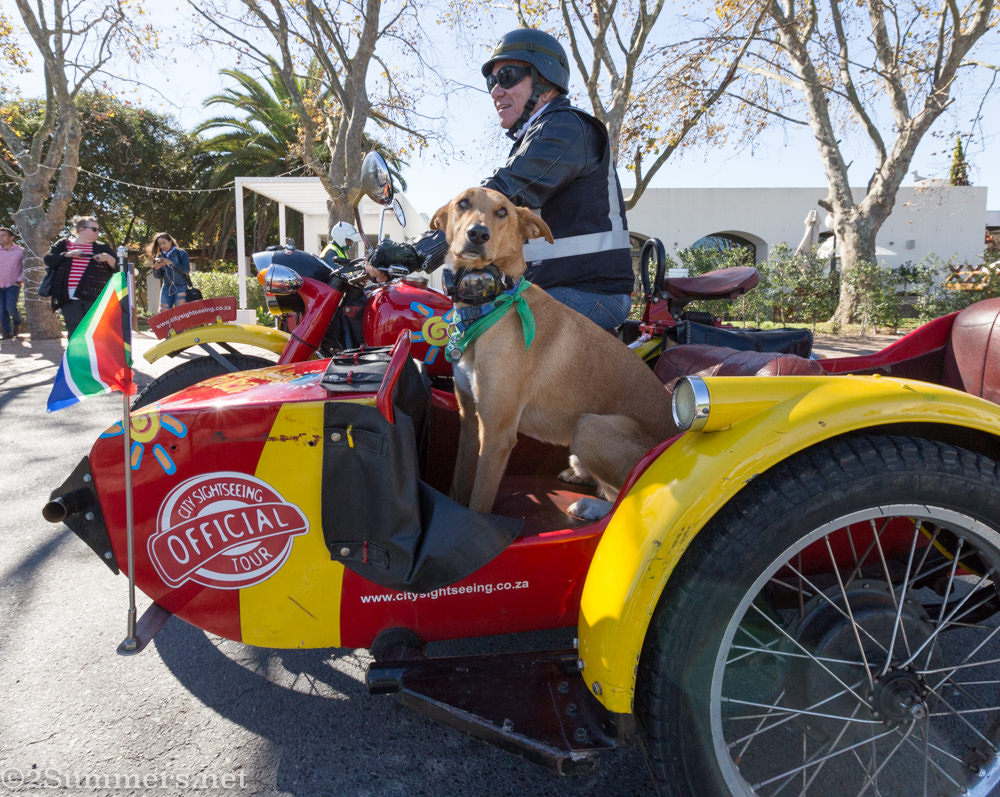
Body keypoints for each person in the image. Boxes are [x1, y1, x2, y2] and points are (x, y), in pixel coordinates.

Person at [367, 28, 633, 330]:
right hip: (554, 288)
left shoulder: (566, 129)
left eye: (506, 76)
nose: (495, 91)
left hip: (591, 293)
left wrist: (418, 250)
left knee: (490, 338)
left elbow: (501, 193)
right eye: (491, 81)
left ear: (544, 79)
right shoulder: (534, 136)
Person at [43, 216, 117, 336]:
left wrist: (108, 258)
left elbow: (117, 268)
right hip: (68, 296)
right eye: (94, 229)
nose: (97, 232)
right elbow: (49, 259)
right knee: (74, 330)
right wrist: (67, 255)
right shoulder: (63, 244)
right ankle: (76, 354)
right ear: (81, 230)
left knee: (96, 331)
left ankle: (95, 355)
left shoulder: (102, 247)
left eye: (98, 230)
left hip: (95, 295)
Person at [147, 232, 191, 310]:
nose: (162, 246)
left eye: (164, 243)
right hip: (167, 287)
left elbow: (186, 271)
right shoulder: (160, 257)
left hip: (181, 286)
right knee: (164, 312)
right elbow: (158, 276)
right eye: (160, 244)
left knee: (181, 312)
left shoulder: (181, 253)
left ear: (170, 241)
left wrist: (171, 263)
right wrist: (156, 269)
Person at [0, 226, 25, 339]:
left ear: (11, 237)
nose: (0, 237)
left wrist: (19, 280)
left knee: (10, 308)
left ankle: (17, 323)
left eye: (3, 235)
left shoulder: (20, 251)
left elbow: (25, 268)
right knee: (1, 310)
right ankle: (7, 333)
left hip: (13, 285)